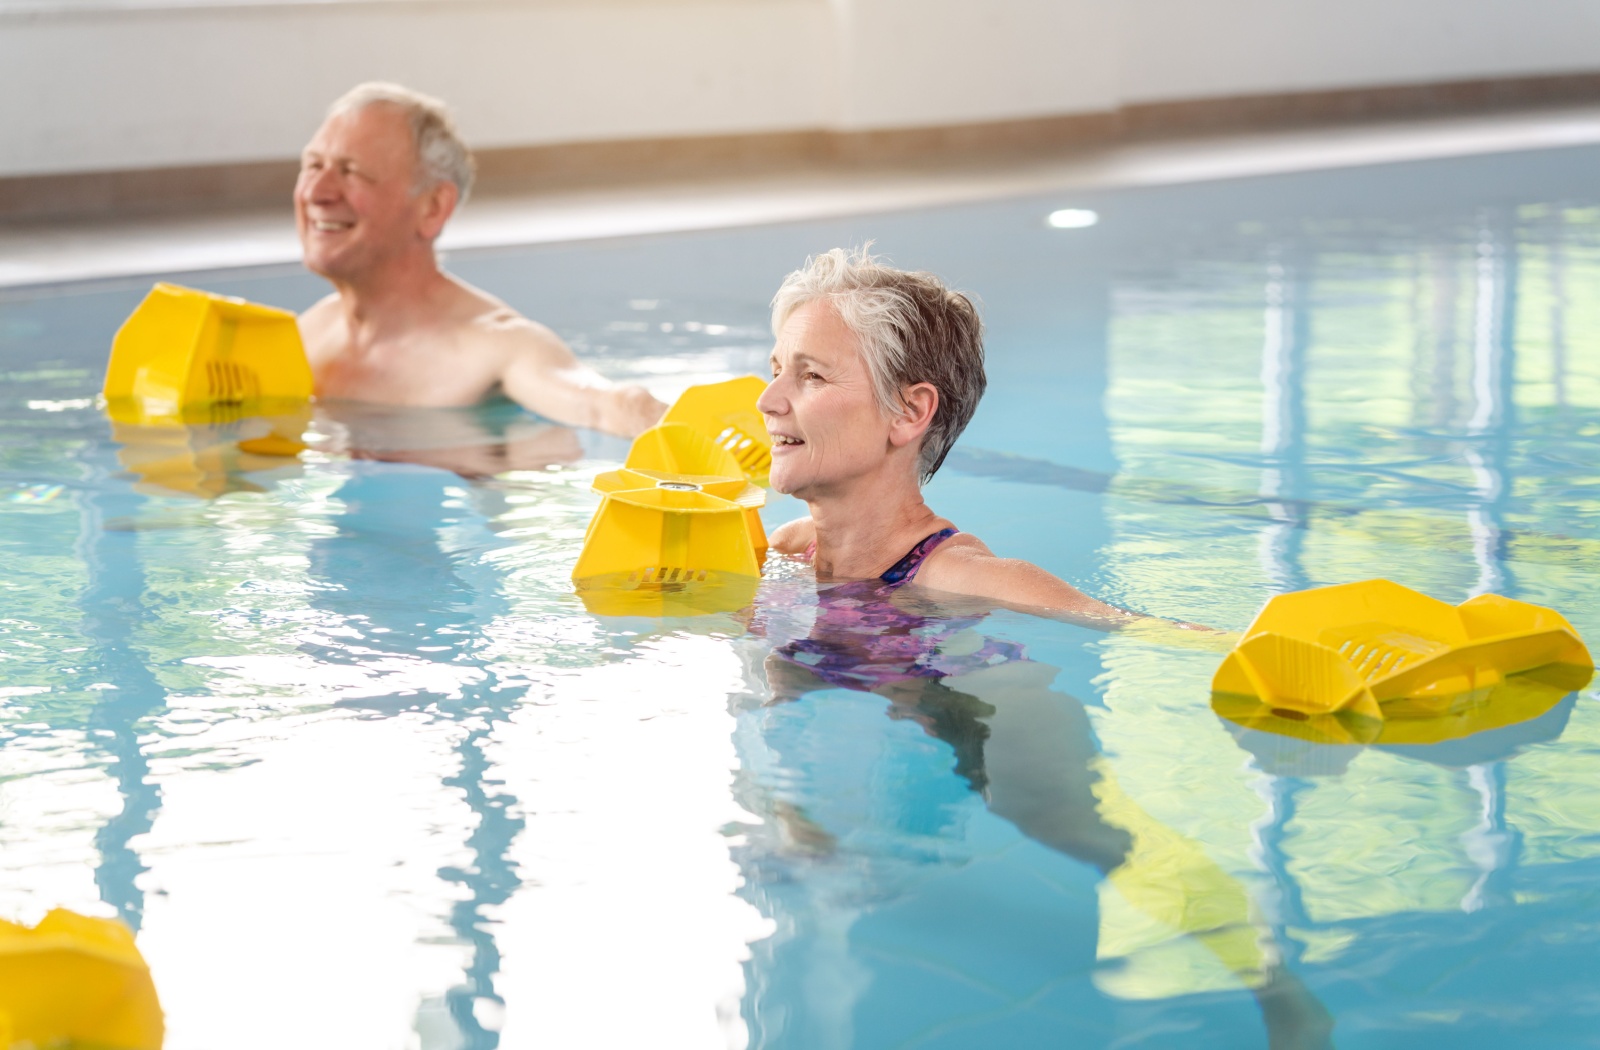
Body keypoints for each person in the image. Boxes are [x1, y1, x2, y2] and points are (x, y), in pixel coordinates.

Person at [761, 246, 1197, 622]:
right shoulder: (788, 549)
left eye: (812, 375)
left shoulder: (976, 583)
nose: (767, 400)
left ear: (909, 412)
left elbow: (1160, 638)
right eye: (776, 371)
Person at [295, 82, 666, 437]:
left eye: (351, 171)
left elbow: (601, 405)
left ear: (433, 207)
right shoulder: (304, 337)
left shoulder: (497, 347)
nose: (316, 192)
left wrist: (682, 430)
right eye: (313, 166)